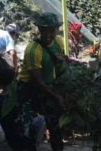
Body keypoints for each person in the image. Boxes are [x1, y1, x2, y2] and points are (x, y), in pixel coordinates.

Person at [17, 12, 66, 151]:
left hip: (48, 86)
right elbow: (37, 81)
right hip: (29, 89)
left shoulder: (59, 42)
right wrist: (57, 97)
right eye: (44, 30)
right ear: (39, 29)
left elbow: (60, 62)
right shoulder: (33, 50)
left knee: (55, 125)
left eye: (52, 29)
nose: (48, 33)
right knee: (29, 127)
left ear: (57, 29)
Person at [0, 68, 45, 151]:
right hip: (23, 137)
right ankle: (35, 144)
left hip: (10, 136)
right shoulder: (18, 97)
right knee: (41, 119)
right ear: (12, 81)